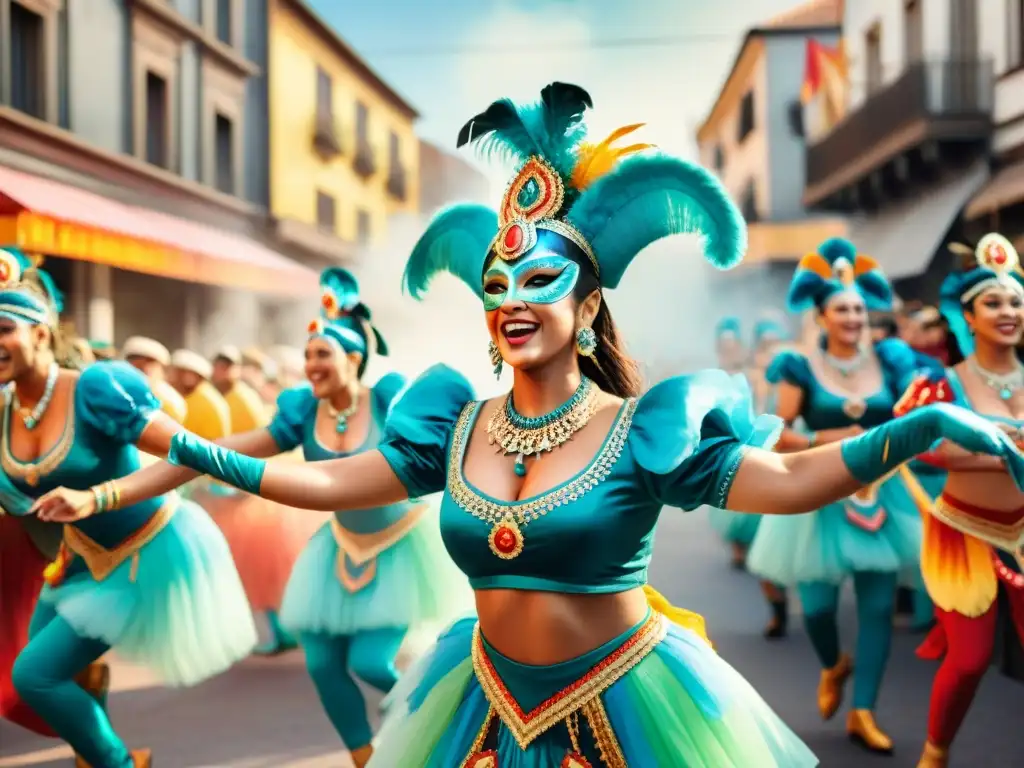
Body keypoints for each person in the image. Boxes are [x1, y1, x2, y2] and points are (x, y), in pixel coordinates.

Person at [31, 83, 1024, 768]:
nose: (512, 298)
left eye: (539, 280)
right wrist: (173, 443)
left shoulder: (650, 425)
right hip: (483, 702)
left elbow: (792, 482)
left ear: (587, 308)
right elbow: (321, 481)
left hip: (629, 704)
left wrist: (920, 432)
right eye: (496, 283)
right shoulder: (451, 422)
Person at [0, 260, 256, 767]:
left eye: (4, 329)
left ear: (42, 334)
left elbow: (189, 453)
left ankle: (117, 763)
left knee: (34, 675)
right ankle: (97, 746)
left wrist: (98, 498)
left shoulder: (96, 389)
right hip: (78, 555)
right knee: (44, 659)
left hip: (144, 552)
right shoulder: (6, 409)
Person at [745, 237, 943, 753]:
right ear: (822, 316)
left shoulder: (893, 360)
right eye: (842, 310)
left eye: (859, 309)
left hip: (884, 495)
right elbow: (776, 432)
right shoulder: (799, 366)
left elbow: (913, 415)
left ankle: (864, 712)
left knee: (877, 609)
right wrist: (824, 438)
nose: (854, 318)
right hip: (819, 494)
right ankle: (833, 664)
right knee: (816, 610)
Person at [894, 234, 1024, 768]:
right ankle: (936, 751)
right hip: (963, 530)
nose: (1008, 311)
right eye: (993, 302)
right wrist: (1000, 454)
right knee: (969, 661)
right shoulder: (942, 383)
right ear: (968, 316)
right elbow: (919, 448)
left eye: (1016, 301)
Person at [708, 315, 792, 637]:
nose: (770, 354)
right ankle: (778, 608)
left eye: (776, 346)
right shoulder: (746, 381)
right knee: (763, 544)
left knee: (786, 544)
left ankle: (788, 598)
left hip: (789, 467)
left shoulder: (795, 382)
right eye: (766, 348)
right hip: (756, 467)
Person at [122, 337, 187, 424]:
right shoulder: (116, 389)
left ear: (161, 369)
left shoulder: (171, 401)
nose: (142, 370)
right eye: (135, 364)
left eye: (149, 363)